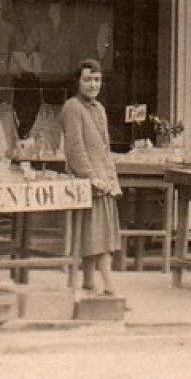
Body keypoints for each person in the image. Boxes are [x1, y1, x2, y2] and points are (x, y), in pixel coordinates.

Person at [61, 58, 123, 295]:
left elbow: (104, 149)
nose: (93, 84)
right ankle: (109, 286)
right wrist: (90, 176)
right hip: (87, 182)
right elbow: (75, 149)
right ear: (77, 82)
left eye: (97, 80)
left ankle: (89, 281)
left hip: (103, 181)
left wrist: (110, 179)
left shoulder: (100, 110)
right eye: (87, 79)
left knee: (98, 234)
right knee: (98, 237)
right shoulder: (72, 107)